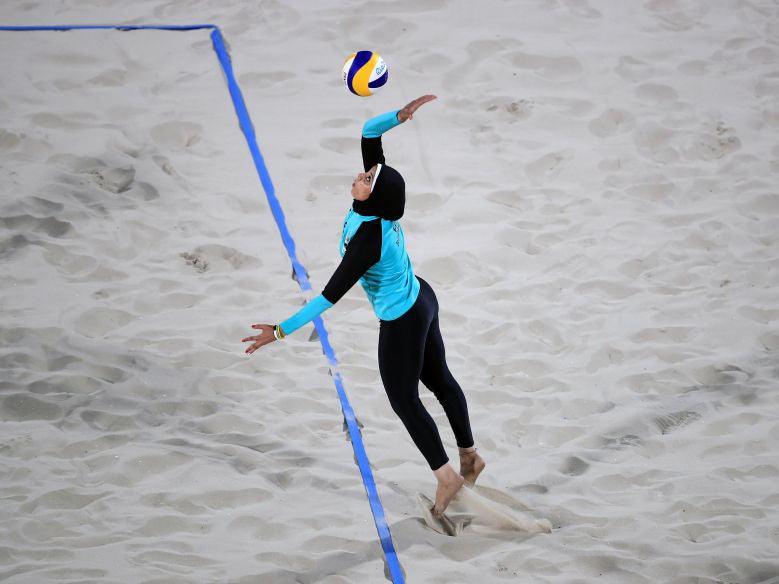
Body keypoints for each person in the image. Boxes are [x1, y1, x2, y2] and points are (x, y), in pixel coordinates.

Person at [242, 95, 485, 516]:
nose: (361, 173)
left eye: (369, 178)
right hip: (422, 296)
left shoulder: (368, 242)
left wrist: (278, 331)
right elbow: (369, 134)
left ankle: (447, 476)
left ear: (373, 198)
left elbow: (328, 297)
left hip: (403, 318)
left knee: (405, 399)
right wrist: (399, 116)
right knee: (439, 379)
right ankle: (470, 457)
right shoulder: (373, 207)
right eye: (369, 171)